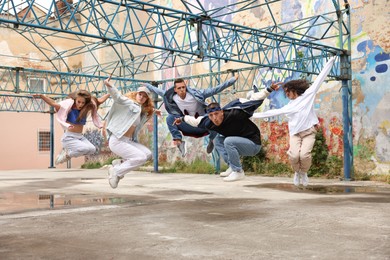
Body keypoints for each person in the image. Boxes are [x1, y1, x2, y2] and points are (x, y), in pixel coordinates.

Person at [252, 57, 336, 186]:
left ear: (294, 90)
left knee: (305, 156)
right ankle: (297, 172)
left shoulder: (308, 95)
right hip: (295, 134)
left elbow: (321, 77)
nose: (286, 94)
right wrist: (252, 115)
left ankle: (304, 173)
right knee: (294, 155)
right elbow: (272, 112)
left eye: (287, 92)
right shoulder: (289, 106)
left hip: (309, 132)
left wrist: (331, 61)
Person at [173, 82, 280, 182]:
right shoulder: (208, 122)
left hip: (253, 144)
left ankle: (238, 171)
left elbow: (253, 100)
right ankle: (232, 166)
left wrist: (269, 89)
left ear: (222, 112)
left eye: (216, 114)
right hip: (239, 143)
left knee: (228, 141)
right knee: (217, 140)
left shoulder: (235, 112)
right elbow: (195, 121)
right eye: (211, 116)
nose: (214, 118)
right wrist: (181, 119)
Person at [143, 74, 238, 156]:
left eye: (183, 87)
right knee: (170, 118)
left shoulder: (198, 94)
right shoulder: (171, 96)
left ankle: (212, 139)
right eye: (179, 88)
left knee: (212, 117)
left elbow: (216, 89)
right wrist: (146, 85)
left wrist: (232, 80)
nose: (182, 90)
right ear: (175, 90)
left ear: (186, 87)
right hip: (187, 124)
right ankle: (179, 142)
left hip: (202, 124)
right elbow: (156, 90)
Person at [104, 76, 159, 189]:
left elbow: (141, 112)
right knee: (140, 158)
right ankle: (116, 171)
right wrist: (109, 85)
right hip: (117, 140)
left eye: (145, 96)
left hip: (127, 141)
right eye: (140, 94)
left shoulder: (140, 110)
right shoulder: (128, 103)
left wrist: (154, 111)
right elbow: (118, 97)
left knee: (147, 154)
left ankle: (119, 163)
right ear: (136, 94)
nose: (142, 97)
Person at [32, 90, 110, 165]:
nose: (80, 105)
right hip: (69, 137)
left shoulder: (85, 109)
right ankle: (67, 153)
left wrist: (111, 93)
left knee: (92, 149)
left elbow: (99, 101)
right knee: (85, 148)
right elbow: (53, 103)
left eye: (83, 103)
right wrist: (42, 96)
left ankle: (67, 155)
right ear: (75, 100)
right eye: (78, 102)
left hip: (80, 137)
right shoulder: (68, 109)